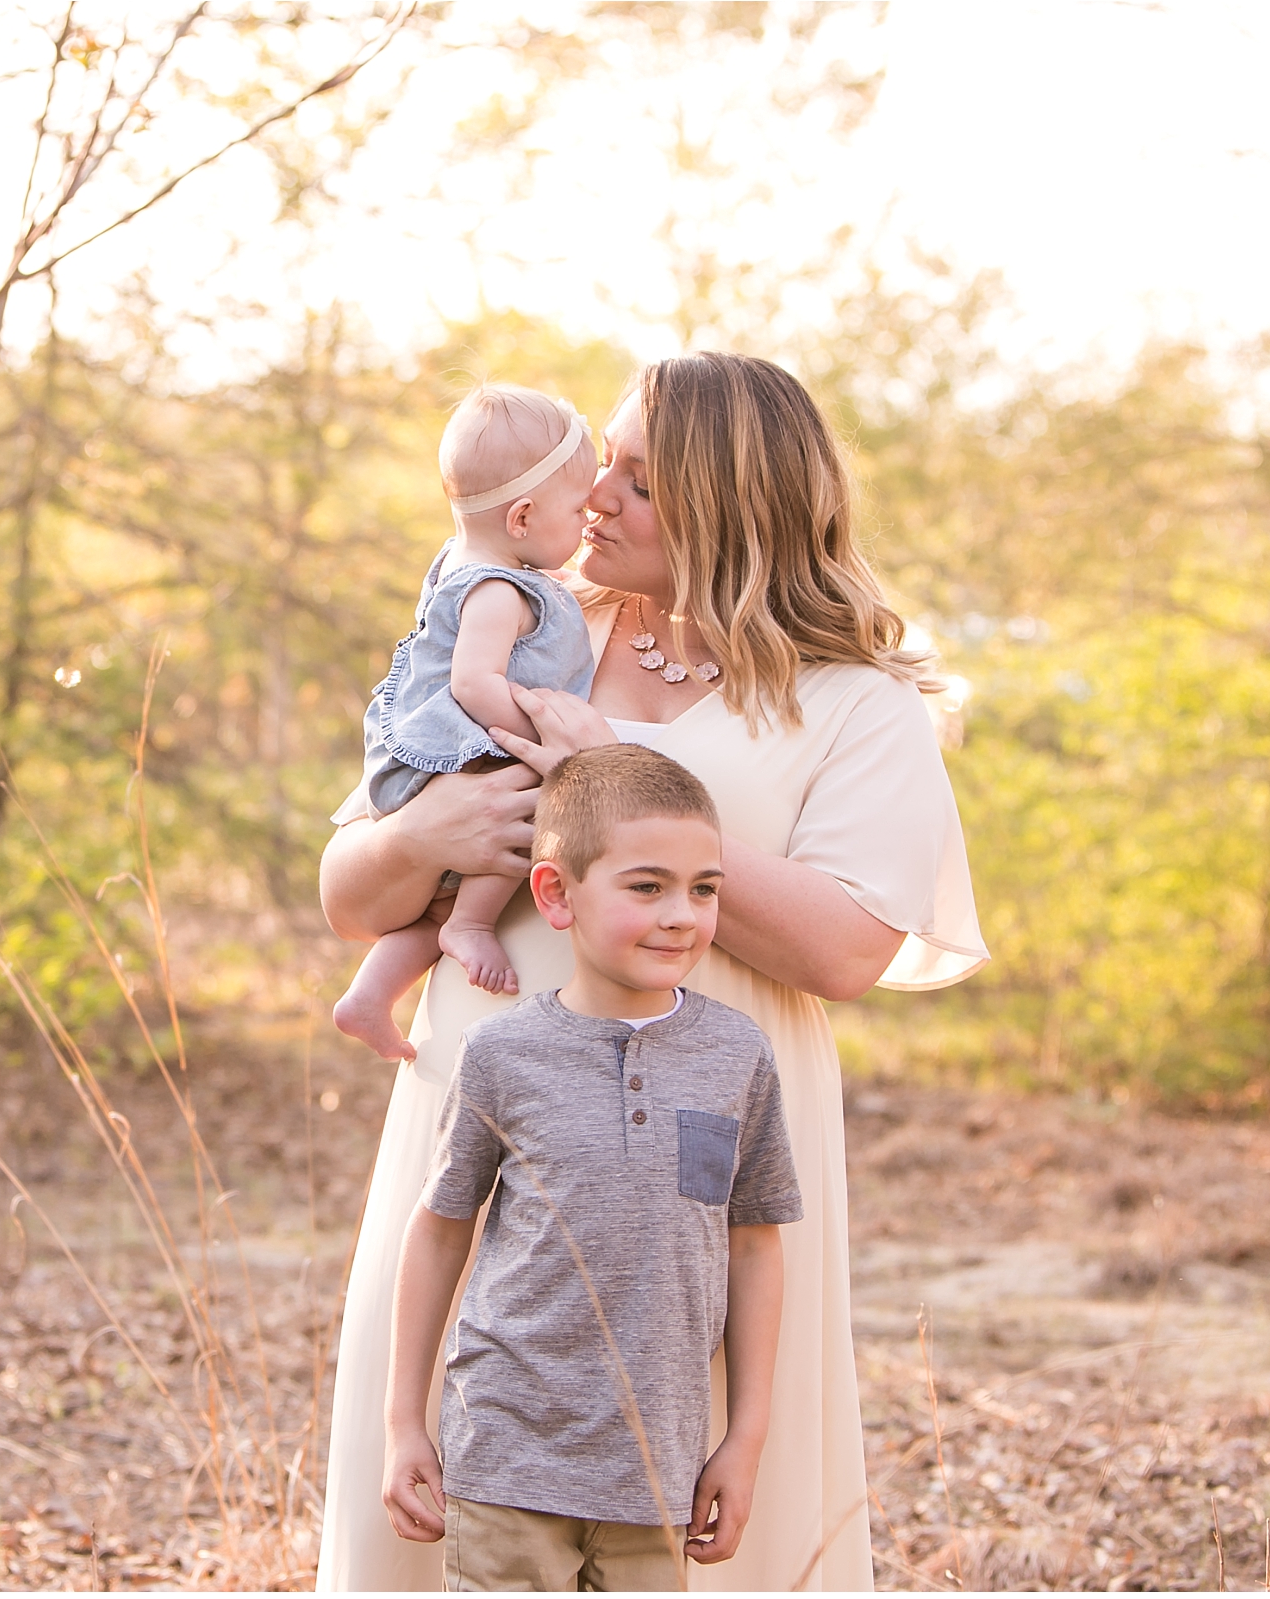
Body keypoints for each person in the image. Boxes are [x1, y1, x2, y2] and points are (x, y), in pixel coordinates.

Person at [316, 352, 989, 1592]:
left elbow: (847, 945)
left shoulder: (852, 701)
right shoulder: (525, 625)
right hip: (495, 1110)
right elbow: (351, 894)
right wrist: (418, 839)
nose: (596, 495)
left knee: (693, 1487)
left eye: (635, 475)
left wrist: (615, 802)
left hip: (698, 1154)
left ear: (730, 504)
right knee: (453, 1475)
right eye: (604, 465)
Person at [383, 745, 799, 1591]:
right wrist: (402, 1421)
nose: (682, 914)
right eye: (647, 886)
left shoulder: (736, 1055)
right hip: (504, 1454)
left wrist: (744, 1437)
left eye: (704, 888)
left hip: (658, 1470)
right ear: (556, 894)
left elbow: (754, 1246)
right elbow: (438, 1231)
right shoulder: (502, 1054)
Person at [332, 384, 599, 1062]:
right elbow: (472, 682)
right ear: (523, 517)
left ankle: (370, 994)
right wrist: (539, 737)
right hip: (463, 752)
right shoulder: (503, 589)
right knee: (520, 814)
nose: (590, 515)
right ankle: (476, 924)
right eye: (578, 507)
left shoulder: (463, 560)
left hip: (428, 753)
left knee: (437, 909)